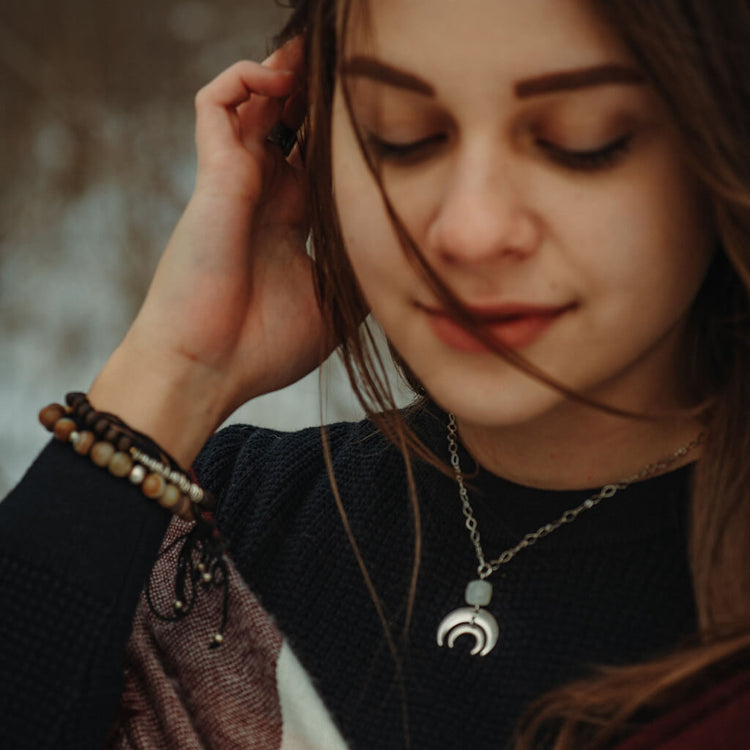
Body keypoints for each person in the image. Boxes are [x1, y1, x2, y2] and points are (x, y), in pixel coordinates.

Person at [1, 0, 749, 748]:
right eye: (401, 136)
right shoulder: (220, 538)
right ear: (318, 148)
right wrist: (174, 369)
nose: (468, 231)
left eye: (582, 140)